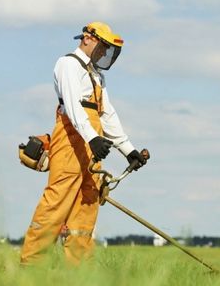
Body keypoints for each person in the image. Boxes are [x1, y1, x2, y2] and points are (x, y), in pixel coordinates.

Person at [20, 22, 147, 265]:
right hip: (70, 141)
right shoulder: (68, 64)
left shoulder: (97, 76)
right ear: (87, 38)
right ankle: (31, 265)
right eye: (103, 47)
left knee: (87, 204)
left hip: (92, 144)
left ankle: (80, 270)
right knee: (56, 202)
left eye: (107, 51)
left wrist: (128, 150)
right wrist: (92, 138)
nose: (103, 54)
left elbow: (107, 115)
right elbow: (72, 106)